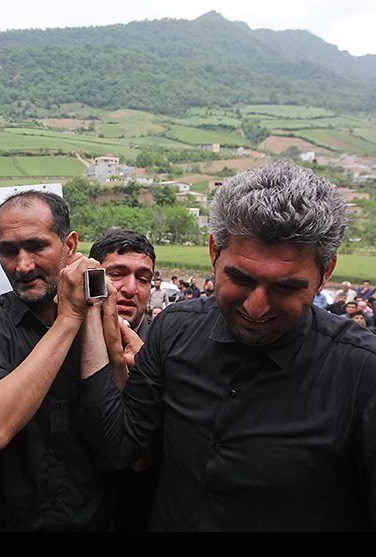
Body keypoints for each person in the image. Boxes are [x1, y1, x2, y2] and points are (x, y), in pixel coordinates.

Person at [79, 160, 376, 531]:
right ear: (214, 252)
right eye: (240, 279)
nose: (256, 306)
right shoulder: (174, 331)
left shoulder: (362, 374)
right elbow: (119, 449)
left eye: (286, 287)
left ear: (325, 272)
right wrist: (91, 324)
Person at [0, 190, 116, 531]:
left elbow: (124, 444)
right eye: (8, 251)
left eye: (36, 246)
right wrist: (68, 319)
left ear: (69, 245)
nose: (23, 266)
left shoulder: (101, 322)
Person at [88, 228, 159, 532]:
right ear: (93, 276)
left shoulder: (165, 349)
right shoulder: (63, 343)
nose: (130, 289)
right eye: (117, 274)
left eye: (143, 279)